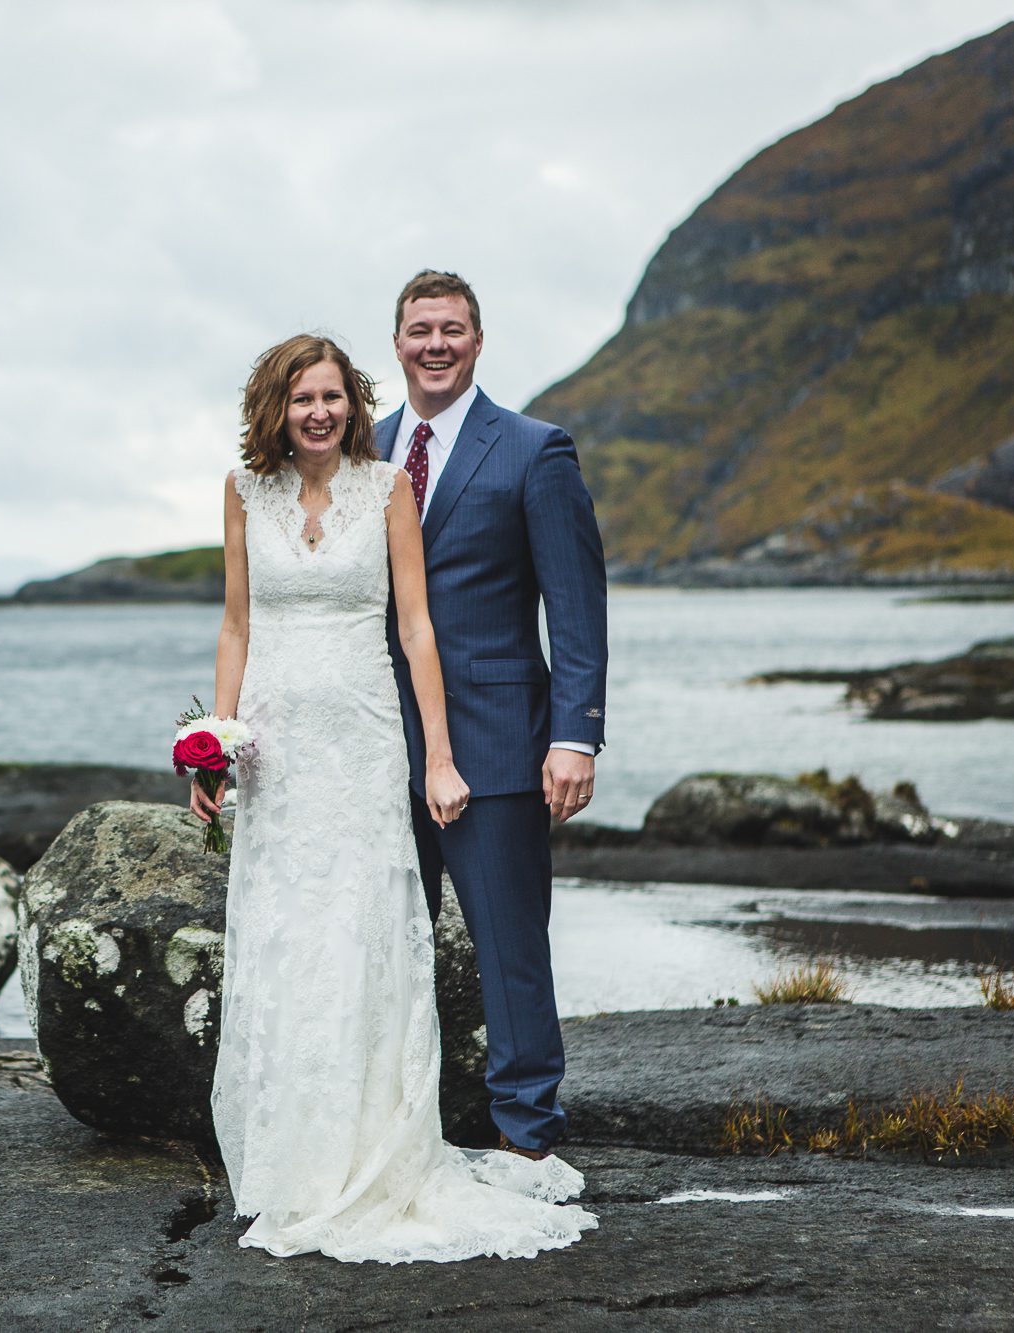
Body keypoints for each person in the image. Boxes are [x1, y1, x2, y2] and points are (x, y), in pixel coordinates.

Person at [196, 331, 597, 1264]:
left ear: (353, 399)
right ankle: (293, 1160)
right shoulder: (240, 490)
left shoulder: (387, 486)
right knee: (287, 937)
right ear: (276, 405)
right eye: (303, 398)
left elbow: (417, 631)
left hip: (367, 740)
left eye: (333, 395)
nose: (321, 411)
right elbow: (234, 621)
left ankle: (382, 1152)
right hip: (275, 752)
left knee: (365, 936)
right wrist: (213, 745)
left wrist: (440, 760)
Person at [378, 270, 608, 1160]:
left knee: (511, 952)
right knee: (388, 950)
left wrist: (574, 734)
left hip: (501, 744)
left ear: (478, 341)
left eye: (452, 330)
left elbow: (576, 600)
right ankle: (401, 1134)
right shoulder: (364, 450)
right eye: (419, 330)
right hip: (375, 746)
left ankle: (528, 1140)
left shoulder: (533, 449)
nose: (435, 344)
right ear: (396, 343)